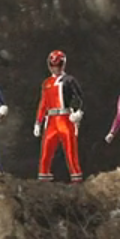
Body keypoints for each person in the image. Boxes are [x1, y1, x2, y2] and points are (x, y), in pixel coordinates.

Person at [33, 49, 85, 184]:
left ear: (63, 64)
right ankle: (43, 178)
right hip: (51, 120)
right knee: (46, 151)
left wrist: (78, 112)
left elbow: (78, 97)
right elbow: (43, 103)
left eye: (58, 65)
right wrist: (38, 122)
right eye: (53, 65)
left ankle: (76, 179)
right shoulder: (46, 83)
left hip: (65, 117)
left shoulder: (69, 80)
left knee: (70, 151)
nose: (55, 68)